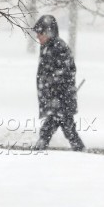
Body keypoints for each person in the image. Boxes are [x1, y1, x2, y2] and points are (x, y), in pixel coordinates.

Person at [32, 14, 85, 151]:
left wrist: (55, 92)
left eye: (40, 33)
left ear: (49, 32)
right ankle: (79, 149)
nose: (38, 36)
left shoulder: (58, 47)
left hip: (61, 98)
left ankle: (40, 148)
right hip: (57, 99)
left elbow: (67, 73)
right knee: (65, 128)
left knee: (60, 128)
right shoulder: (47, 47)